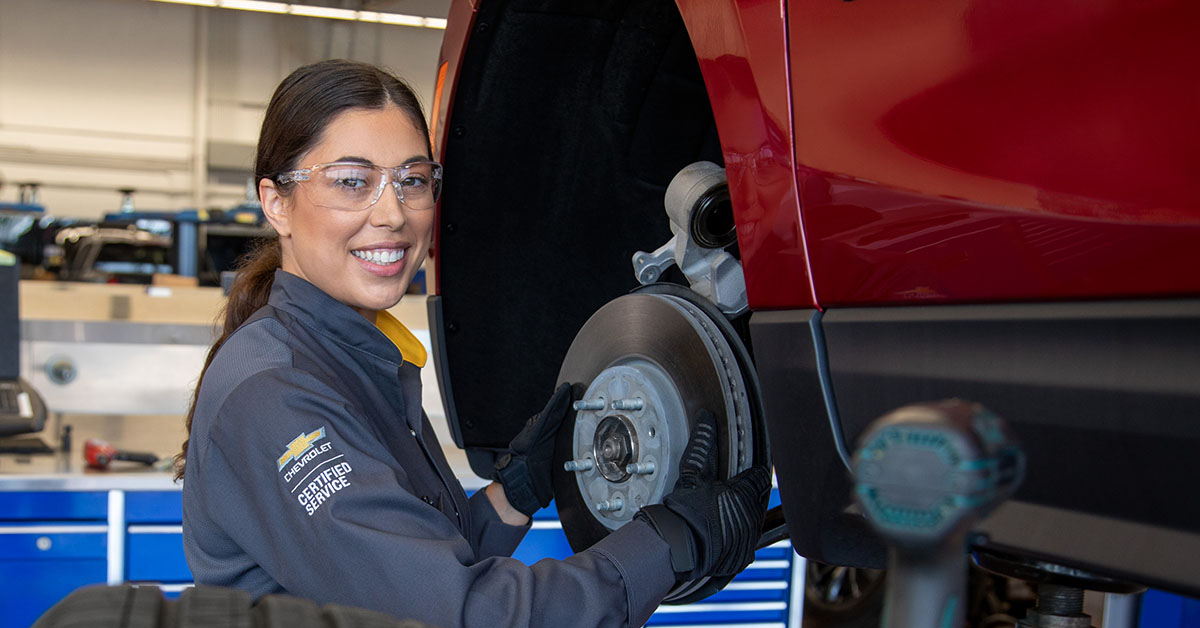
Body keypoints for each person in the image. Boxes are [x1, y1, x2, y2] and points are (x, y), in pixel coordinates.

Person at [176, 59, 770, 628]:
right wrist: (668, 540)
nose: (392, 213)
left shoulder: (352, 357)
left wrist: (513, 492)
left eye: (412, 180)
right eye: (352, 182)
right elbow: (460, 614)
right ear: (276, 202)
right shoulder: (276, 396)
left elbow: (415, 566)